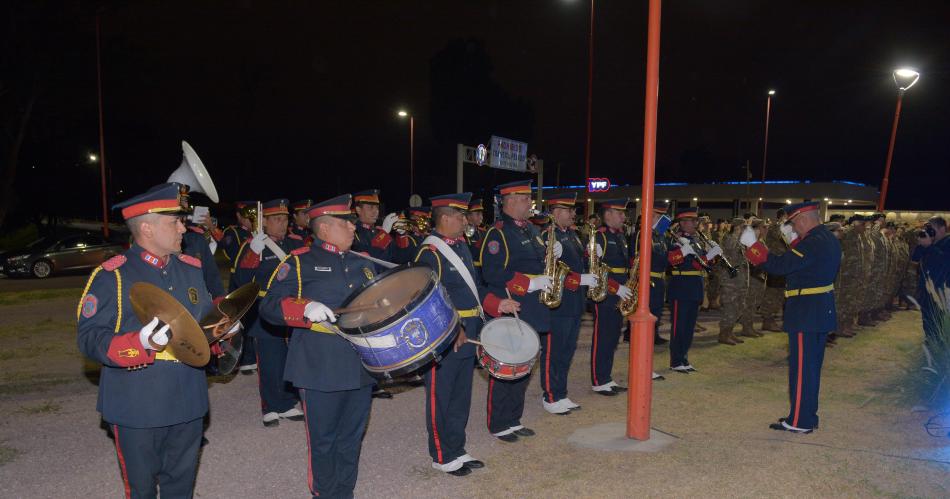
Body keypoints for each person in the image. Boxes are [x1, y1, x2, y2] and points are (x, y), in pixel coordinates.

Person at [77, 182, 215, 498]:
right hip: (137, 403)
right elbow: (89, 338)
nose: (184, 227)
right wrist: (137, 344)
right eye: (175, 221)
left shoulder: (190, 268)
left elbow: (205, 320)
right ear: (148, 228)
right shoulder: (113, 275)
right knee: (141, 490)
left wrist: (222, 330)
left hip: (188, 399)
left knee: (181, 487)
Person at [258, 194, 377, 498]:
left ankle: (345, 491)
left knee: (352, 437)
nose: (353, 228)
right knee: (323, 440)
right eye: (346, 223)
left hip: (361, 364)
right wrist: (304, 308)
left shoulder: (363, 264)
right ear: (324, 229)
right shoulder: (299, 262)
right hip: (319, 365)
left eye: (352, 223)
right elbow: (269, 306)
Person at [413, 192, 520, 475]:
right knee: (441, 394)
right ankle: (441, 454)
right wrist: (453, 326)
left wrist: (498, 304)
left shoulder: (461, 246)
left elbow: (474, 289)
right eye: (460, 216)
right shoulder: (430, 252)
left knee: (461, 393)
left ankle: (456, 448)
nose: (465, 221)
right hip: (447, 333)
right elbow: (427, 297)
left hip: (470, 329)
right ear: (445, 218)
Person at [741, 201, 841, 433]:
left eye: (795, 223)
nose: (794, 228)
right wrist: (793, 241)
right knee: (811, 368)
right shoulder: (826, 238)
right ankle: (807, 414)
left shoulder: (813, 242)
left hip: (806, 312)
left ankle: (799, 421)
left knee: (802, 370)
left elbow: (781, 266)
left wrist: (754, 246)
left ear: (805, 219)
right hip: (818, 311)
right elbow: (806, 263)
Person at [478, 179, 549, 442]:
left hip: (534, 308)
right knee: (507, 367)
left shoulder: (531, 230)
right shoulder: (497, 233)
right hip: (513, 307)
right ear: (508, 201)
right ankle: (498, 423)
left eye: (529, 198)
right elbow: (492, 272)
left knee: (526, 365)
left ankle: (514, 419)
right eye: (524, 198)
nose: (529, 203)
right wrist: (529, 283)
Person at [232, 198, 306, 426]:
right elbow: (240, 280)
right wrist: (253, 255)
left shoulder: (295, 243)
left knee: (291, 357)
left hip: (292, 306)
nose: (282, 224)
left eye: (284, 219)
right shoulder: (254, 245)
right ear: (264, 222)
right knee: (270, 360)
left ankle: (287, 401)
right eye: (276, 219)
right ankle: (271, 406)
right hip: (266, 310)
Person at [540, 193, 601, 413]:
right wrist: (579, 279)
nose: (573, 214)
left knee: (567, 350)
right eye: (568, 210)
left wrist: (590, 253)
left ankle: (561, 392)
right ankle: (549, 395)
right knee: (553, 351)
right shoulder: (548, 235)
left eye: (573, 210)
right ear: (555, 213)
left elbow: (579, 261)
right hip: (559, 301)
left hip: (575, 302)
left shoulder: (573, 235)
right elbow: (550, 271)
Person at [590, 198, 638, 393]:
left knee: (612, 337)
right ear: (608, 214)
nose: (624, 217)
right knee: (602, 337)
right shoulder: (599, 236)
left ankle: (606, 377)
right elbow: (594, 269)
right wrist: (615, 288)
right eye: (620, 213)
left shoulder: (619, 236)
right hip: (606, 293)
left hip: (620, 291)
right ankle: (598, 380)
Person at [666, 206, 720, 373]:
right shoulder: (676, 240)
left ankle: (684, 358)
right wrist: (707, 256)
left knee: (689, 327)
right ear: (682, 223)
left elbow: (705, 265)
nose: (696, 224)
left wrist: (713, 255)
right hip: (681, 286)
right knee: (679, 327)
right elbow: (688, 262)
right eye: (692, 221)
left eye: (695, 221)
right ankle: (676, 361)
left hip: (694, 286)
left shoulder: (696, 240)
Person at [911, 216, 949, 372]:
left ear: (941, 228)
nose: (929, 230)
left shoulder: (947, 243)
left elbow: (944, 262)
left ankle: (937, 353)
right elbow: (914, 259)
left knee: (937, 322)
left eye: (931, 227)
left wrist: (930, 246)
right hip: (927, 290)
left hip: (940, 290)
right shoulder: (931, 242)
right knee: (928, 320)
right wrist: (922, 244)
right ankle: (930, 345)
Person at [759, 209, 788, 332]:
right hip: (774, 263)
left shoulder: (787, 228)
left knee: (780, 293)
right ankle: (767, 319)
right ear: (782, 216)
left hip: (783, 264)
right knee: (772, 292)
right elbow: (778, 235)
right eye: (787, 216)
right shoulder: (775, 227)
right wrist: (783, 223)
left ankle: (771, 319)